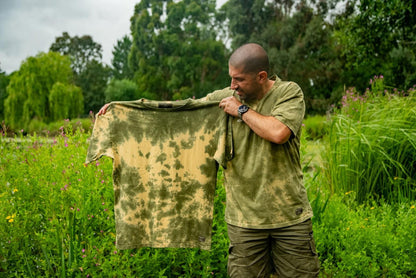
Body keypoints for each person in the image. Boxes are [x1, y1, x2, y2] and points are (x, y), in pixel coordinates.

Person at [98, 43, 320, 277]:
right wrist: (123, 110)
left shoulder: (288, 93)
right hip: (244, 222)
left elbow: (279, 132)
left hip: (290, 218)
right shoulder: (225, 98)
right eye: (231, 78)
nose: (233, 86)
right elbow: (181, 111)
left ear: (262, 76)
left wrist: (241, 111)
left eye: (239, 79)